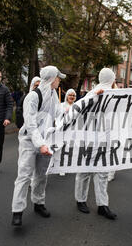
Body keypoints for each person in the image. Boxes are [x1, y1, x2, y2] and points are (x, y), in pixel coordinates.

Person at [11, 66, 66, 226]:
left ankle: (38, 203)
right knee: (24, 175)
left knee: (42, 175)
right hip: (29, 142)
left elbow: (59, 114)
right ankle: (17, 210)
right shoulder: (33, 97)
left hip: (45, 141)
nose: (59, 80)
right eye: (58, 77)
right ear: (51, 78)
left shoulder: (53, 94)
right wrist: (40, 144)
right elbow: (30, 125)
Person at [75, 68, 118, 220]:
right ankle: (81, 200)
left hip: (105, 139)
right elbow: (79, 109)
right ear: (111, 79)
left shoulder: (115, 95)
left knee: (102, 172)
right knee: (85, 170)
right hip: (90, 138)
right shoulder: (92, 93)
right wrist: (94, 95)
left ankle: (102, 204)